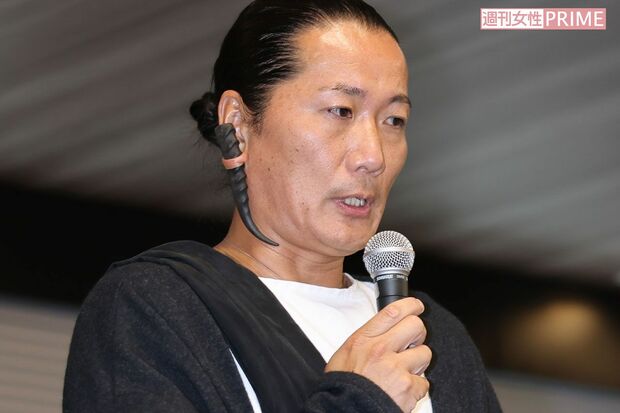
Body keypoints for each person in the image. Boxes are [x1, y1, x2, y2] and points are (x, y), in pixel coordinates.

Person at [63, 1, 502, 412]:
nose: (374, 156)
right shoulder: (156, 307)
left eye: (393, 120)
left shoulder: (434, 335)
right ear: (237, 123)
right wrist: (361, 400)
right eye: (340, 110)